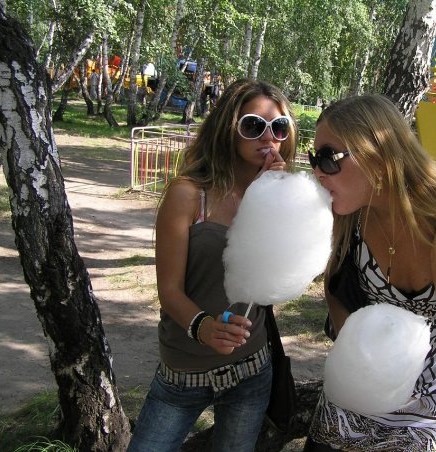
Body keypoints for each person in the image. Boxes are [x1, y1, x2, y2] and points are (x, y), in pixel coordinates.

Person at [303, 94, 436, 452]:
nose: (317, 171)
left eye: (328, 157)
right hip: (360, 384)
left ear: (377, 155)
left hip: (434, 396)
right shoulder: (350, 212)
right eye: (313, 158)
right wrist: (353, 348)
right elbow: (335, 286)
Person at [128, 78, 297, 452]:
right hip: (184, 372)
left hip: (251, 369)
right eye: (253, 125)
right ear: (228, 128)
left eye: (279, 127)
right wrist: (203, 327)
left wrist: (274, 203)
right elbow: (169, 290)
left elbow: (277, 281)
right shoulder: (188, 194)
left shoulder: (280, 197)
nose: (268, 137)